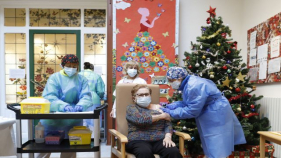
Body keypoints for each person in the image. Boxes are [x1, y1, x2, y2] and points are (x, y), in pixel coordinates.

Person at [161, 67, 246, 158]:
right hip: (211, 110)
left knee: (217, 144)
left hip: (216, 113)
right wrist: (173, 105)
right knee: (210, 143)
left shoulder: (193, 86)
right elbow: (190, 102)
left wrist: (170, 112)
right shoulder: (189, 83)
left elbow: (191, 111)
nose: (170, 83)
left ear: (179, 78)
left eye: (171, 80)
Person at [39, 54, 93, 158]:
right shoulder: (55, 78)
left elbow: (86, 96)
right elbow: (49, 96)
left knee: (71, 148)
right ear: (63, 65)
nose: (72, 68)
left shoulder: (82, 79)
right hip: (53, 119)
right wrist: (62, 106)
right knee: (45, 148)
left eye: (74, 66)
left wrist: (81, 105)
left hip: (73, 119)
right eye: (69, 65)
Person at [126, 84, 182, 158]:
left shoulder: (160, 108)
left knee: (173, 152)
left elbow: (168, 124)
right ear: (134, 98)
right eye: (140, 95)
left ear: (150, 95)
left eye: (146, 94)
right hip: (138, 140)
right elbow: (140, 120)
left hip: (159, 140)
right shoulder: (131, 108)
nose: (144, 97)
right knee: (144, 152)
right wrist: (161, 116)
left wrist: (168, 137)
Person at [79, 62, 105, 135]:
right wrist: (101, 97)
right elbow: (100, 91)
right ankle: (94, 137)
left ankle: (81, 136)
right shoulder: (96, 76)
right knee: (94, 120)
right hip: (94, 100)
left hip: (80, 100)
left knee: (82, 119)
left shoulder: (78, 75)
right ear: (92, 69)